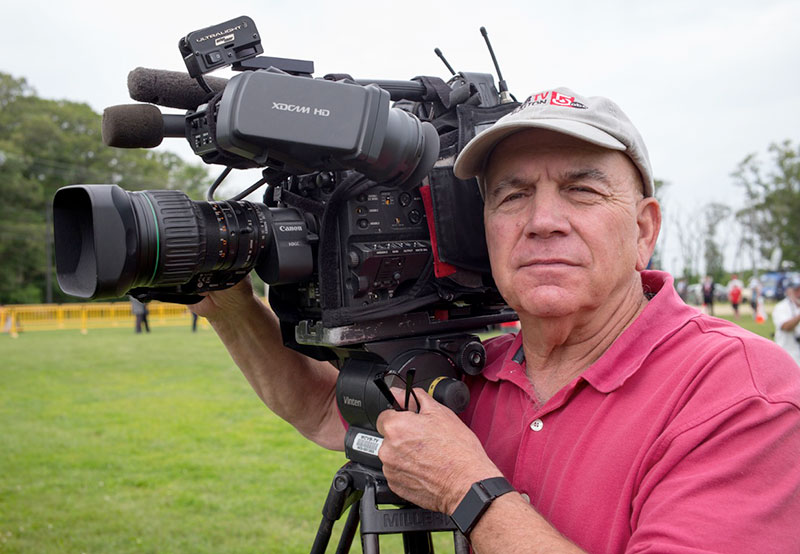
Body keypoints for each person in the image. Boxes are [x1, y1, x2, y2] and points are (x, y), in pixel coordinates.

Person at [189, 88, 800, 552]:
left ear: (643, 229)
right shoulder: (482, 366)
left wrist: (469, 491)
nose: (543, 221)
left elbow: (460, 480)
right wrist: (230, 307)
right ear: (482, 231)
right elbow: (328, 410)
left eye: (582, 191)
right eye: (512, 195)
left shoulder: (742, 393)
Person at [772, 276, 800, 365]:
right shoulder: (781, 307)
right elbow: (786, 327)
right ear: (788, 291)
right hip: (787, 355)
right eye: (796, 290)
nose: (799, 293)